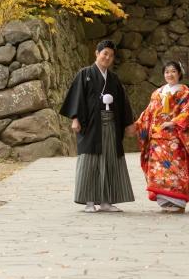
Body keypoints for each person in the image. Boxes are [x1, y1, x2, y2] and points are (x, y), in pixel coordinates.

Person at [59, 39, 137, 213]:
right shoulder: (84, 73)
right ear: (97, 53)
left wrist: (129, 123)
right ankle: (89, 202)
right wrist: (75, 118)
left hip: (110, 124)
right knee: (89, 161)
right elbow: (77, 97)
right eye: (104, 53)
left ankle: (106, 201)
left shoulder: (114, 78)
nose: (107, 57)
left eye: (110, 55)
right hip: (90, 125)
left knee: (110, 160)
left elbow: (123, 102)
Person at [135, 60, 189, 213]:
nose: (170, 75)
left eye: (173, 71)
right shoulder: (157, 93)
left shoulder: (185, 92)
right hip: (157, 139)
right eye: (167, 72)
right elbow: (149, 112)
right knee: (159, 171)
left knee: (177, 169)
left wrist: (173, 123)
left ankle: (177, 203)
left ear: (179, 73)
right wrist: (138, 124)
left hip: (176, 138)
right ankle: (165, 202)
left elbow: (188, 111)